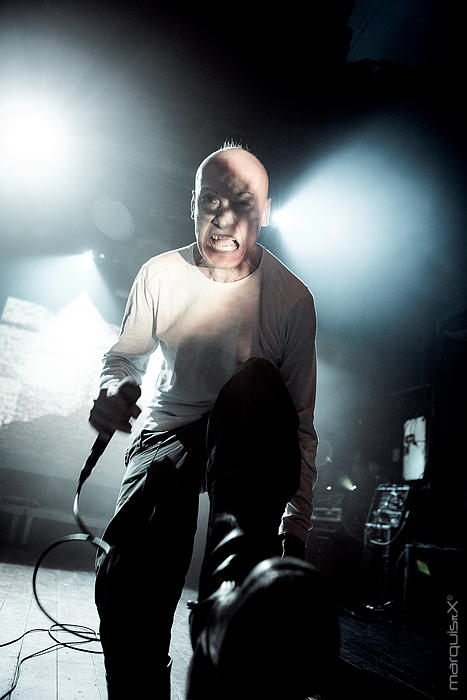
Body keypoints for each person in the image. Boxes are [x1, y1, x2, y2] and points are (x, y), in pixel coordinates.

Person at [89, 143, 319, 698]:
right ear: (191, 203)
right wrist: (113, 390)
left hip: (249, 435)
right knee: (126, 580)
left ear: (265, 210)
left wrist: (296, 526)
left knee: (257, 384)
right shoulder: (160, 274)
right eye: (209, 200)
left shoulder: (292, 300)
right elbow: (125, 355)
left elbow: (301, 419)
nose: (221, 218)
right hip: (169, 431)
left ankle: (229, 626)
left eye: (240, 202)